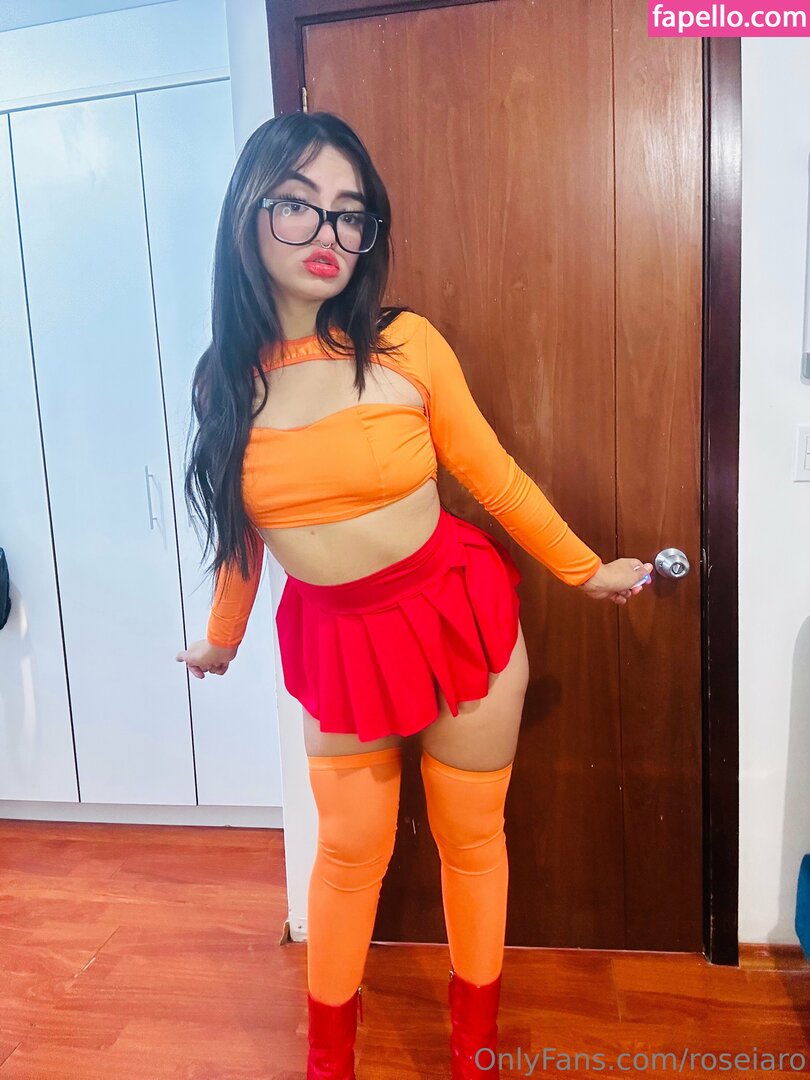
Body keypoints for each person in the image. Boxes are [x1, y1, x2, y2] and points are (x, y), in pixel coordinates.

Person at [176, 111, 653, 1080]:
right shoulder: (226, 383)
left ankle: (474, 1049)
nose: (328, 234)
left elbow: (494, 476)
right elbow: (241, 535)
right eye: (299, 205)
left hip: (455, 615)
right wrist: (222, 637)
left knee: (471, 839)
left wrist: (583, 568)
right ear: (247, 215)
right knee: (350, 853)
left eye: (351, 214)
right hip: (339, 640)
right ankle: (329, 1062)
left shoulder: (404, 345)